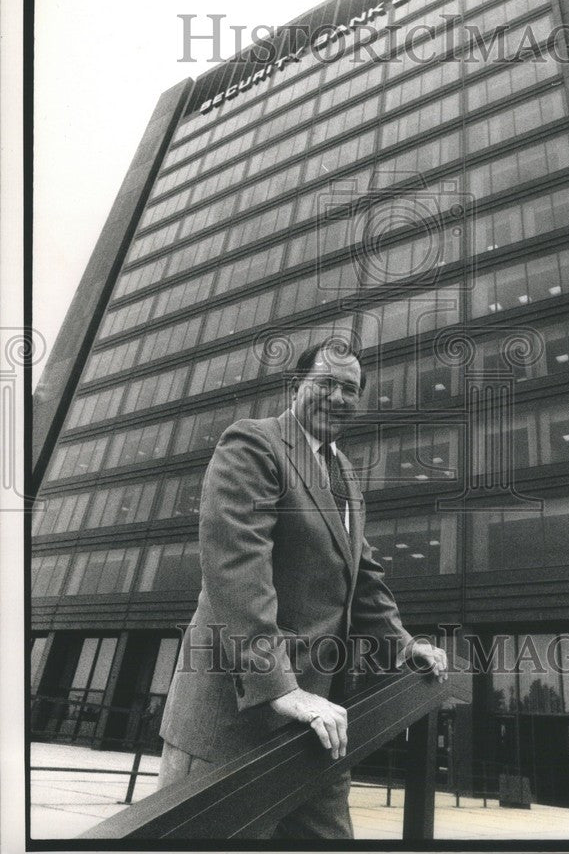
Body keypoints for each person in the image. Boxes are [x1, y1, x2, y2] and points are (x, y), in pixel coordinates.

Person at [157, 337, 447, 839]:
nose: (338, 397)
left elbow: (364, 577)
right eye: (326, 384)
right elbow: (236, 570)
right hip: (234, 724)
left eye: (350, 389)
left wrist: (404, 647)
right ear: (297, 385)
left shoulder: (345, 474)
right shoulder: (253, 444)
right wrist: (282, 688)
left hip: (318, 727)